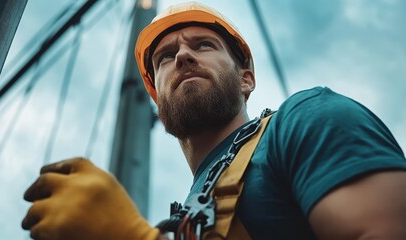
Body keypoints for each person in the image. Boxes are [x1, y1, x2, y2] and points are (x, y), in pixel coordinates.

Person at [22, 1, 406, 239]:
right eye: (165, 57)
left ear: (246, 78)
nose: (182, 58)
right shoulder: (187, 218)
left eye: (203, 45)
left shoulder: (306, 119)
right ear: (157, 100)